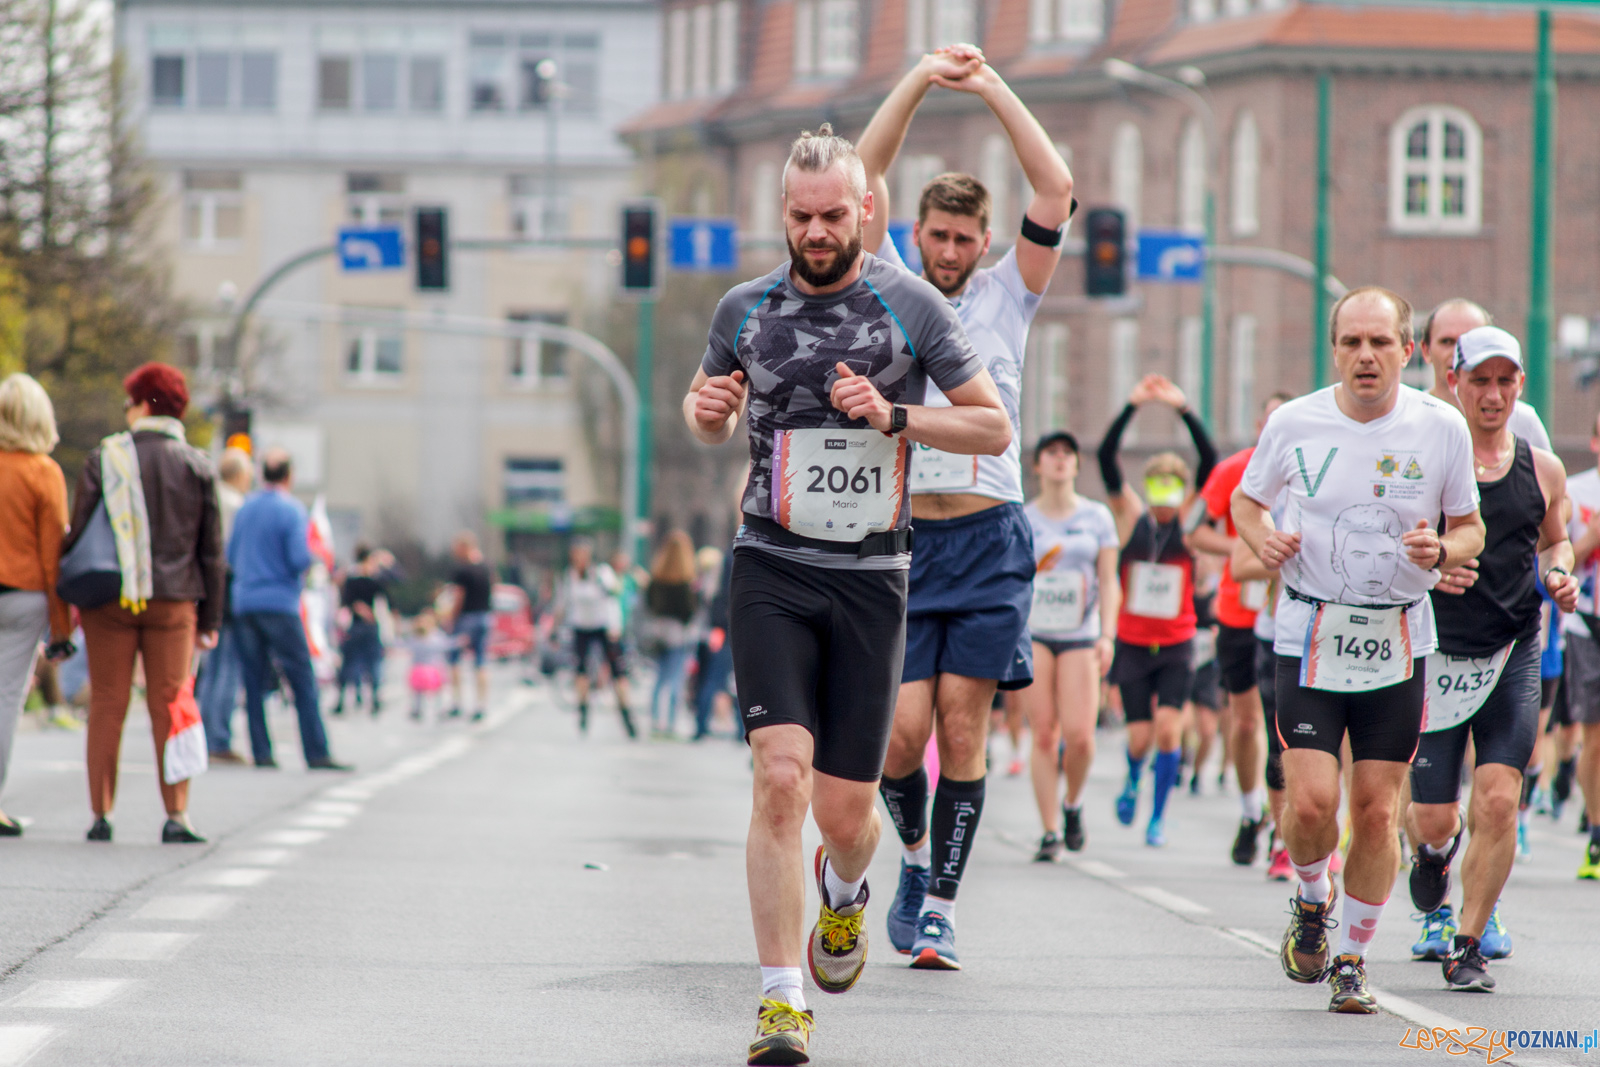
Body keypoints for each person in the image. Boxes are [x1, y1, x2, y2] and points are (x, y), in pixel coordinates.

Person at [683, 123, 1008, 1065]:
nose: (816, 232)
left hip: (871, 579)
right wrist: (707, 413)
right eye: (801, 216)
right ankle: (781, 1002)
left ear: (865, 209)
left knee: (848, 817)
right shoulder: (745, 307)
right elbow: (706, 412)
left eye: (833, 216)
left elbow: (992, 426)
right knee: (780, 777)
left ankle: (846, 891)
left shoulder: (910, 305)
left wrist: (896, 415)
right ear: (781, 212)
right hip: (771, 565)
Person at [856, 43, 1074, 971]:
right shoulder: (889, 282)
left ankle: (941, 906)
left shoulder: (1011, 296)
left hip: (989, 537)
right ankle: (913, 856)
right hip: (906, 537)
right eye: (936, 236)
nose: (948, 252)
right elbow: (862, 171)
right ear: (916, 234)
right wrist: (917, 76)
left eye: (962, 239)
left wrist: (989, 87)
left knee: (961, 723)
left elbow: (1055, 187)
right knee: (901, 737)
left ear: (983, 242)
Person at [1232, 286, 1484, 1014]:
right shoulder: (1295, 422)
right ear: (1335, 349)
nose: (1366, 356)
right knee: (1313, 802)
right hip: (1310, 633)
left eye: (1380, 342)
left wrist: (1443, 549)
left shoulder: (1441, 426)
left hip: (1398, 638)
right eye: (1352, 342)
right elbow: (1246, 501)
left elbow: (1471, 527)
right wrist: (1262, 538)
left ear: (1408, 350)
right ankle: (1314, 898)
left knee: (1376, 811)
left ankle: (1351, 959)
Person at [1401, 325, 1576, 992]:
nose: (1493, 394)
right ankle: (1433, 854)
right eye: (1480, 380)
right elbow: (1390, 544)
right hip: (1436, 653)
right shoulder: (1424, 463)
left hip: (1512, 649)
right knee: (1436, 816)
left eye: (1506, 381)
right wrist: (1430, 566)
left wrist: (1558, 574)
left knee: (1500, 800)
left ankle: (1468, 943)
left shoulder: (1543, 467)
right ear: (1455, 383)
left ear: (1520, 385)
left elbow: (1555, 539)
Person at [65, 363, 225, 843]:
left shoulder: (105, 458)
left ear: (143, 404)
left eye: (129, 401)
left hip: (111, 598)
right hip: (174, 602)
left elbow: (79, 532)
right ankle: (177, 814)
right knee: (171, 702)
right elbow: (212, 553)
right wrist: (211, 619)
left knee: (108, 701)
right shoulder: (197, 464)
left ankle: (100, 814)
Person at [1099, 374, 1218, 848]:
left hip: (1176, 642)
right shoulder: (1132, 516)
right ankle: (1133, 777)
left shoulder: (1188, 521)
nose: (1164, 495)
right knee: (1140, 738)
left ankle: (1158, 817)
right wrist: (1132, 406)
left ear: (1182, 490)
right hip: (1132, 641)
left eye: (1172, 486)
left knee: (1169, 733)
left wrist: (1182, 408)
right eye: (1157, 484)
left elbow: (1209, 458)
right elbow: (1106, 457)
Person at [1193, 393, 1291, 864]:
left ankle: (1280, 825)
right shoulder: (1235, 470)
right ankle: (1252, 810)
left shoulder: (1310, 469)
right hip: (1238, 610)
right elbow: (1195, 531)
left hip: (1287, 617)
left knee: (1279, 724)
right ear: (1258, 425)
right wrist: (1248, 542)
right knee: (1246, 719)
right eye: (1270, 420)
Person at [1018, 431, 1119, 861]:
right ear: (1037, 465)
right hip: (1036, 634)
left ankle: (1072, 804)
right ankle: (1049, 831)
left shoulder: (1097, 517)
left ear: (1077, 465)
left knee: (1079, 738)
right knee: (1043, 734)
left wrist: (1108, 635)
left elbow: (1109, 581)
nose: (1060, 460)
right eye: (1051, 453)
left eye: (1067, 454)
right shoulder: (1023, 518)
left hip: (1080, 634)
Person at [230, 448, 350, 772]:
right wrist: (316, 558)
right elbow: (298, 558)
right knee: (301, 678)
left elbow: (231, 555)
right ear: (289, 476)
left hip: (244, 603)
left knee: (253, 682)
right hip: (280, 604)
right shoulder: (292, 510)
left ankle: (261, 752)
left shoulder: (245, 509)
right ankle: (316, 751)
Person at [0, 374, 74, 837]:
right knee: (6, 697)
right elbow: (53, 558)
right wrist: (62, 629)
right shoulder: (43, 472)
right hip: (22, 597)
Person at [1418, 299, 1551, 449]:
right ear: (1426, 350)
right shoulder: (1410, 418)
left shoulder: (1524, 422)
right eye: (1447, 341)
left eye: (1473, 342)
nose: (1458, 352)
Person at [1559, 409, 1600, 879]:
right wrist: (1590, 536)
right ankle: (1595, 830)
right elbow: (1560, 559)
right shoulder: (1575, 492)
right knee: (1595, 735)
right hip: (1588, 623)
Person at [198, 446, 253, 762]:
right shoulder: (236, 506)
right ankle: (218, 737)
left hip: (206, 590)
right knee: (228, 667)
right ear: (240, 475)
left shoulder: (209, 497)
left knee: (211, 667)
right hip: (229, 591)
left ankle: (205, 734)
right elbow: (235, 554)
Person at [555, 538, 635, 738]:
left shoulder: (601, 573)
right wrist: (554, 628)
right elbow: (562, 604)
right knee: (581, 671)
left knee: (618, 672)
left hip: (604, 627)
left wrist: (615, 627)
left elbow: (614, 597)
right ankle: (583, 709)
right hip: (581, 627)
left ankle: (626, 714)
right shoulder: (569, 577)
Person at [644, 531, 699, 738]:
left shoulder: (657, 578)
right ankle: (671, 723)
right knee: (676, 678)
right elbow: (689, 611)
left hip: (659, 631)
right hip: (677, 633)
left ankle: (655, 722)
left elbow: (649, 604)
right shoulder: (685, 582)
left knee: (659, 678)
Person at [334, 544, 394, 717]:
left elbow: (346, 601)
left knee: (350, 663)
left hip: (356, 626)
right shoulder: (374, 580)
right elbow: (388, 601)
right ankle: (373, 699)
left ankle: (343, 700)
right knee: (371, 663)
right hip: (368, 626)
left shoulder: (353, 579)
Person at [445, 531, 492, 722]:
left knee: (454, 660)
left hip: (466, 619)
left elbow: (459, 597)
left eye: (457, 548)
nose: (455, 552)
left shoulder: (462, 570)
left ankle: (457, 703)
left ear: (465, 547)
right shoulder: (487, 566)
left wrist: (451, 618)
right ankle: (481, 704)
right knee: (480, 661)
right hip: (485, 617)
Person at [693, 546, 735, 741]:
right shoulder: (728, 577)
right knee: (730, 682)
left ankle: (701, 725)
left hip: (714, 633)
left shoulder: (709, 581)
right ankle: (740, 730)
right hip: (725, 633)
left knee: (711, 681)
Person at [404, 607, 453, 721]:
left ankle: (417, 709)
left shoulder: (414, 637)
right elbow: (447, 645)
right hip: (434, 669)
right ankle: (440, 708)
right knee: (438, 690)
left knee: (418, 692)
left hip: (418, 669)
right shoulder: (437, 636)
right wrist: (460, 641)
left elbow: (404, 645)